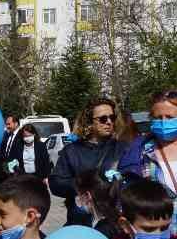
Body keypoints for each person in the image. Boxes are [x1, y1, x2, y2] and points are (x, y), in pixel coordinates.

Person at [119, 89, 177, 239]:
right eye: (158, 118)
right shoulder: (137, 152)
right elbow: (126, 198)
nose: (164, 122)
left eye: (170, 117)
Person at [51, 97, 130, 226]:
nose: (109, 122)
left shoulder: (122, 148)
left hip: (115, 223)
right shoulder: (72, 151)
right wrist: (86, 186)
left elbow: (132, 180)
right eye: (103, 119)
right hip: (82, 222)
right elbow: (56, 184)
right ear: (89, 123)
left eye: (112, 117)